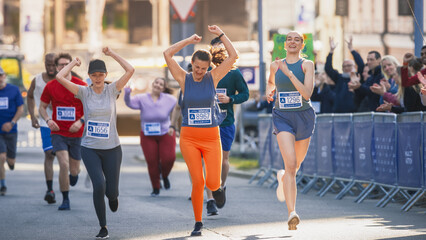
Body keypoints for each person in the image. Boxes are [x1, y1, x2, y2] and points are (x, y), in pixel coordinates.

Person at [163, 25, 237, 236]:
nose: (199, 72)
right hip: (189, 138)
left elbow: (233, 55)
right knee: (198, 181)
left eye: (203, 69)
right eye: (196, 67)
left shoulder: (212, 78)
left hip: (212, 138)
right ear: (192, 64)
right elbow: (167, 54)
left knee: (213, 182)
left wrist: (221, 33)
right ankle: (198, 222)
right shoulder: (183, 79)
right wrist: (188, 41)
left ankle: (219, 189)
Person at [55, 47, 134, 239]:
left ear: (106, 75)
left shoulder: (112, 89)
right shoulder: (83, 92)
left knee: (111, 190)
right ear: (89, 76)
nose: (98, 78)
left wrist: (112, 54)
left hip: (112, 149)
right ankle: (103, 226)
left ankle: (113, 197)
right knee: (99, 185)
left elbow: (130, 70)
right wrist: (73, 63)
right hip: (90, 148)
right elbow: (59, 77)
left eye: (101, 75)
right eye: (94, 75)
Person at [265, 31, 315, 230]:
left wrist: (289, 74)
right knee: (292, 164)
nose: (293, 42)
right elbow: (271, 82)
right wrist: (271, 91)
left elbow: (307, 93)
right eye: (289, 39)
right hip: (282, 116)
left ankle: (282, 177)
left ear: (302, 45)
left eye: (297, 40)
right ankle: (291, 213)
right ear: (284, 44)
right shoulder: (274, 65)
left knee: (295, 167)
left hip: (304, 117)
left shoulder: (307, 65)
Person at [204, 36, 249, 216]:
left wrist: (230, 99)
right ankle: (209, 201)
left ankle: (221, 186)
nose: (218, 52)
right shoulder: (204, 71)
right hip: (206, 122)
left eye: (222, 48)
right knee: (208, 161)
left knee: (222, 160)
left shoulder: (234, 73)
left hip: (225, 121)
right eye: (215, 48)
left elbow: (245, 94)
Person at [39, 53, 86, 210]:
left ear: (72, 66)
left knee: (74, 169)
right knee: (63, 165)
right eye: (61, 65)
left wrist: (81, 121)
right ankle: (65, 199)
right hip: (58, 132)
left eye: (67, 64)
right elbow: (42, 108)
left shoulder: (81, 86)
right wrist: (48, 120)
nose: (64, 67)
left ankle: (74, 175)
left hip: (77, 134)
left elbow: (91, 108)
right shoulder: (51, 86)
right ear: (57, 67)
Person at [124, 77, 177, 197]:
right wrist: (127, 93)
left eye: (161, 84)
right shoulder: (141, 98)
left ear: (163, 88)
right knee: (152, 162)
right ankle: (156, 187)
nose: (158, 85)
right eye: (156, 83)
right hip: (148, 135)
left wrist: (174, 127)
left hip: (165, 133)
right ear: (152, 84)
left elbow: (178, 109)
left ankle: (164, 175)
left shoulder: (170, 99)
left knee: (169, 158)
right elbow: (129, 103)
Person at [27, 53, 58, 203]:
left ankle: (73, 174)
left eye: (54, 64)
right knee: (49, 155)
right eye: (48, 64)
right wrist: (32, 116)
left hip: (63, 124)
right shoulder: (37, 80)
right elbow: (30, 96)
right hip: (46, 123)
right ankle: (50, 189)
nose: (51, 68)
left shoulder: (63, 79)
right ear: (44, 63)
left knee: (69, 160)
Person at [0, 67, 24, 196]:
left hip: (11, 130)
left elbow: (20, 108)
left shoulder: (13, 90)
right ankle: (3, 185)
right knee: (1, 157)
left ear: (4, 76)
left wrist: (12, 122)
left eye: (0, 76)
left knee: (10, 161)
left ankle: (11, 163)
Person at [325, 36, 364, 112]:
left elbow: (361, 65)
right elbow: (328, 68)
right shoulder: (339, 78)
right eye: (344, 66)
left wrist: (352, 50)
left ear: (354, 66)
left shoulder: (358, 77)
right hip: (338, 112)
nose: (346, 68)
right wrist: (331, 51)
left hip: (354, 113)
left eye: (349, 65)